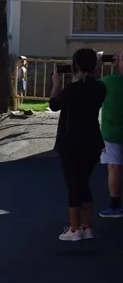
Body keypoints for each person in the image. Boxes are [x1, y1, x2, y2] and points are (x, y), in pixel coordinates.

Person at [49, 48, 105, 241]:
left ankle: (74, 229)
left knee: (74, 183)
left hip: (71, 142)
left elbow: (54, 105)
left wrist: (56, 84)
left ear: (76, 66)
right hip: (92, 142)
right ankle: (86, 227)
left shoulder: (72, 89)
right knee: (83, 183)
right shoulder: (100, 88)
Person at [99, 54, 123, 219]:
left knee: (114, 167)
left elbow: (89, 86)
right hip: (112, 133)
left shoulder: (109, 81)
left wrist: (99, 63)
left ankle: (115, 205)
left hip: (113, 133)